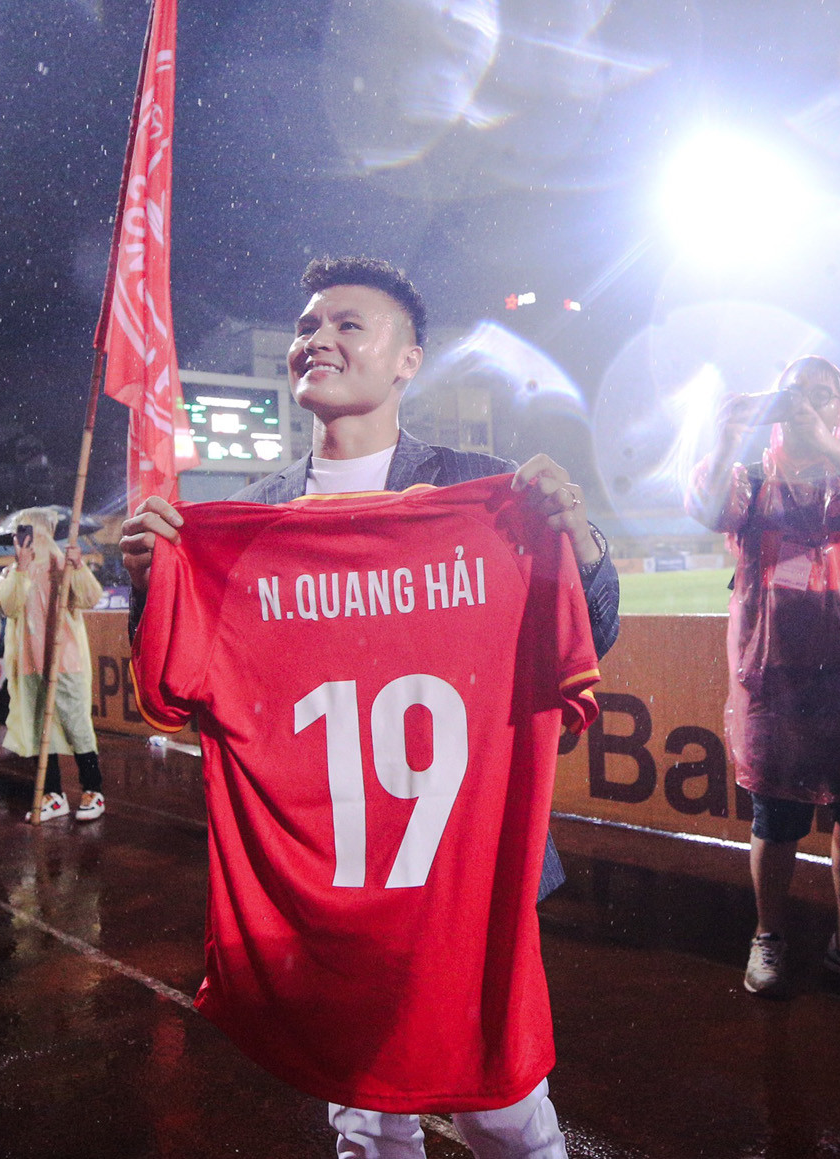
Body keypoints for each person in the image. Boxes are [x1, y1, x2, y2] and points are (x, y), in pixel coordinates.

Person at [120, 256, 620, 1159]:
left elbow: (589, 634)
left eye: (349, 324)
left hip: (460, 874)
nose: (318, 339)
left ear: (407, 360)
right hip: (327, 888)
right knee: (365, 1121)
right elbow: (180, 690)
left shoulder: (484, 489)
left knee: (504, 1109)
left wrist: (577, 542)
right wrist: (154, 586)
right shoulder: (247, 520)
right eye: (308, 325)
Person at [686, 356, 840, 999]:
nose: (807, 405)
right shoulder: (750, 477)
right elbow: (707, 508)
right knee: (776, 819)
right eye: (795, 393)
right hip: (777, 681)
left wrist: (821, 440)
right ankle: (768, 937)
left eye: (823, 395)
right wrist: (723, 438)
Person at [0, 508, 105, 822]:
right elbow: (6, 607)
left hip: (65, 661)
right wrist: (20, 569)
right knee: (41, 729)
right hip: (30, 664)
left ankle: (93, 790)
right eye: (20, 534)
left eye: (30, 532)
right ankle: (54, 794)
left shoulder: (64, 565)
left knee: (76, 726)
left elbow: (91, 598)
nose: (25, 539)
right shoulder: (12, 572)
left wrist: (78, 567)